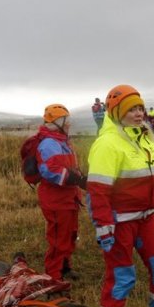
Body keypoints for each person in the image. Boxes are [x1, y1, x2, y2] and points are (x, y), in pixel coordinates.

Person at [87, 84, 154, 307]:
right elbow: (98, 191)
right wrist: (103, 226)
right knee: (121, 278)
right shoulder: (107, 144)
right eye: (131, 109)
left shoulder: (146, 138)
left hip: (147, 219)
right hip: (120, 224)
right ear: (116, 113)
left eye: (140, 108)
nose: (139, 114)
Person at [36, 104, 86, 281]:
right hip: (56, 201)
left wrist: (80, 177)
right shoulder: (49, 144)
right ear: (57, 123)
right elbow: (50, 171)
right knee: (58, 239)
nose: (69, 124)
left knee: (70, 234)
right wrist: (78, 180)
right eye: (66, 121)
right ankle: (53, 278)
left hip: (68, 198)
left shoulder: (61, 142)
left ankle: (64, 267)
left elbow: (69, 168)